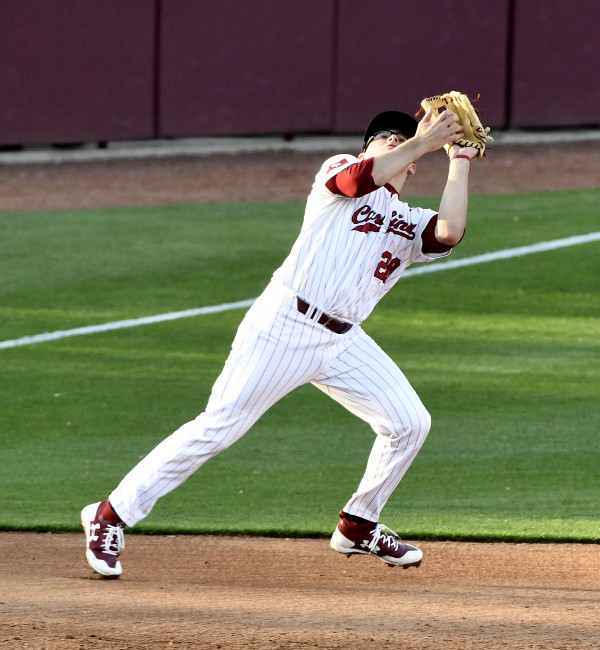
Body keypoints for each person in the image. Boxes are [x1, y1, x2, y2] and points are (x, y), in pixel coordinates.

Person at [82, 105, 477, 577]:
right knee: (219, 427)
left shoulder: (410, 221)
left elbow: (449, 231)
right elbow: (359, 180)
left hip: (344, 341)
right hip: (285, 325)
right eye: (387, 137)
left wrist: (459, 159)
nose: (396, 141)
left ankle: (358, 524)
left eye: (403, 141)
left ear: (414, 167)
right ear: (367, 147)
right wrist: (422, 141)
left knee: (410, 423)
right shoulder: (338, 172)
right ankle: (109, 515)